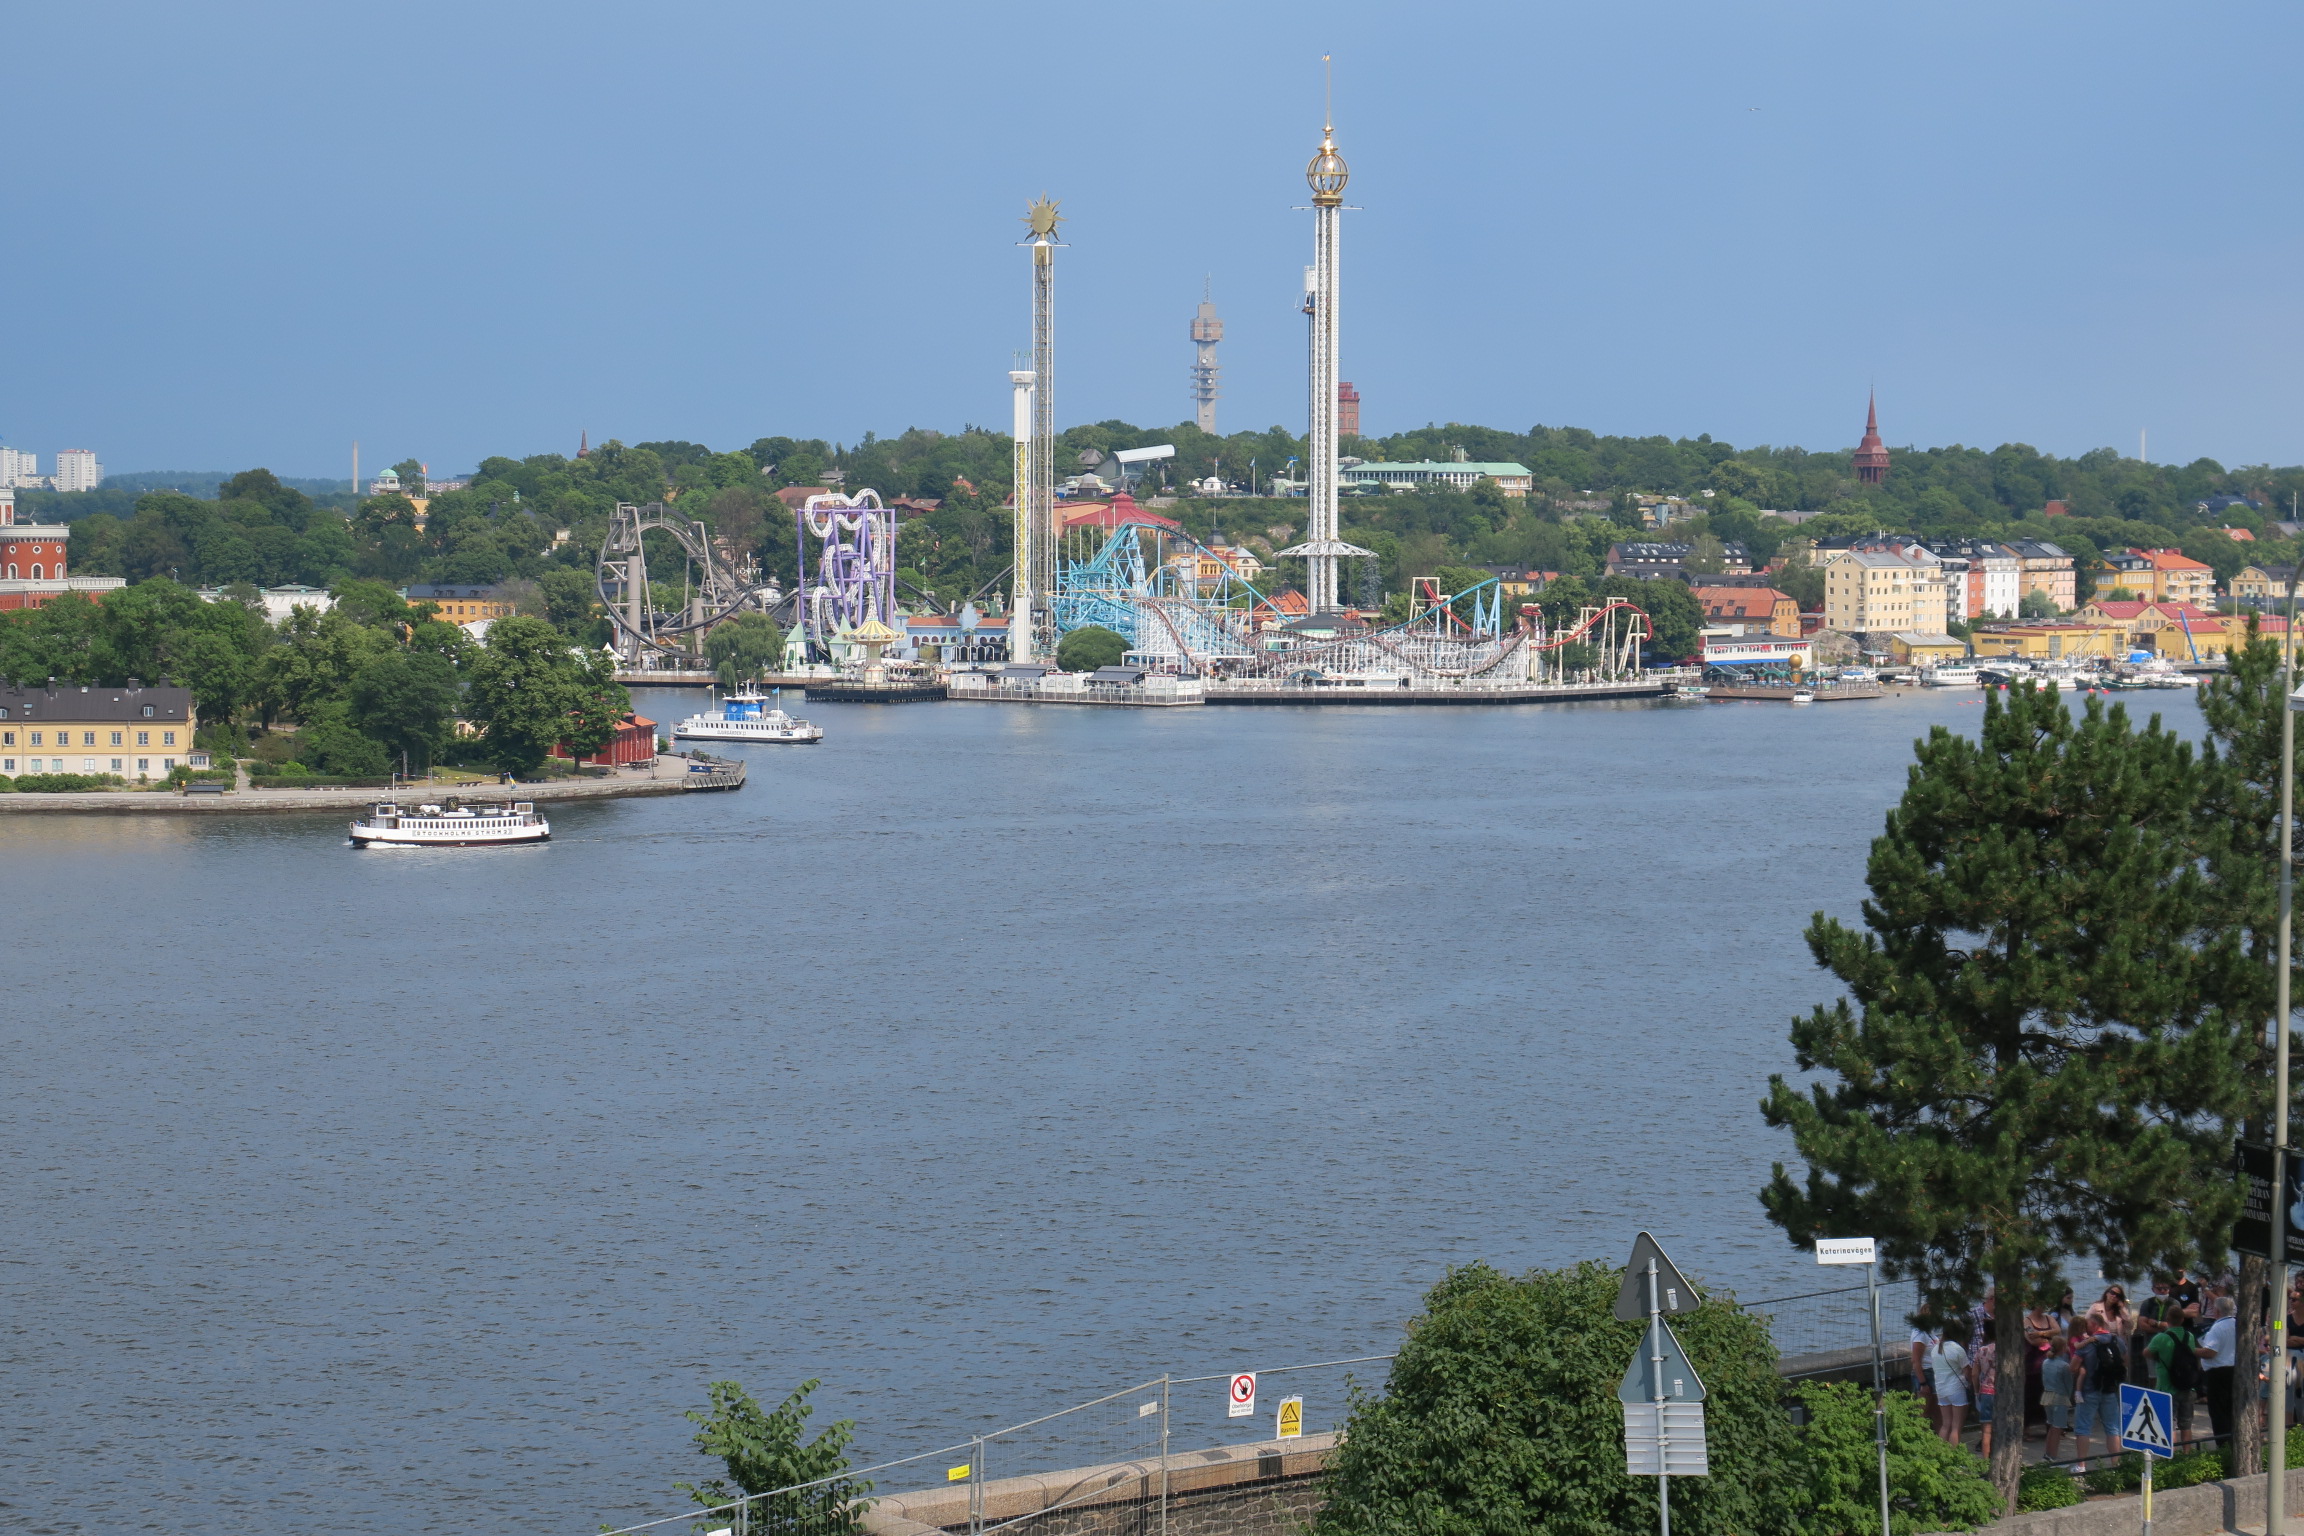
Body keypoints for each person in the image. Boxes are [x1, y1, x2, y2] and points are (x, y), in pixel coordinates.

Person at [2072, 1318, 2128, 1473]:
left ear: (2095, 1324)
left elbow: (2073, 1367)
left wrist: (2084, 1367)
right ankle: (2116, 1464)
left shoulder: (2088, 1343)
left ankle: (2081, 1465)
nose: (2086, 1326)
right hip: (2110, 1389)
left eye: (2088, 1324)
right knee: (2113, 1428)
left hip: (2089, 1390)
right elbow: (2125, 1361)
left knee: (2083, 1428)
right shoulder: (2117, 1340)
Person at [2147, 1305, 2204, 1450]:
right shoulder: (2189, 1336)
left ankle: (2170, 1455)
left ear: (2167, 1319)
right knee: (2186, 1424)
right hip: (2187, 1385)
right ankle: (2187, 1454)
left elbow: (2146, 1353)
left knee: (2169, 1424)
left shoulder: (2161, 1338)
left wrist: (2159, 1356)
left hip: (2166, 1386)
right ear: (2183, 1319)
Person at [2198, 1295, 2237, 1452]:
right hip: (2234, 1370)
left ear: (2216, 1311)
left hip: (2218, 1372)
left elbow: (2210, 1352)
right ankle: (2233, 1442)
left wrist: (2192, 1350)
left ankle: (2223, 1446)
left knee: (2219, 1411)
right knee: (2231, 1409)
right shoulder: (2236, 1324)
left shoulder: (2218, 1328)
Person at [2040, 1322, 2081, 1462]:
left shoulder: (2045, 1362)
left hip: (2047, 1395)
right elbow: (2068, 1385)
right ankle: (2053, 1456)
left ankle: (2047, 1453)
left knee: (2051, 1427)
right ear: (2063, 1348)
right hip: (2059, 1397)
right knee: (2057, 1429)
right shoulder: (2064, 1366)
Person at [1932, 1330, 1972, 1444]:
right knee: (1956, 1426)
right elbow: (1967, 1372)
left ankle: (1941, 1454)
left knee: (1945, 1425)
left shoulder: (1935, 1349)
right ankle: (1953, 1455)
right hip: (1956, 1389)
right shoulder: (1957, 1349)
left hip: (1941, 1389)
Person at [1974, 1334, 1999, 1458]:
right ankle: (1999, 1457)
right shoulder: (2004, 1349)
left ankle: (1985, 1460)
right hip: (2001, 1393)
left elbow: (1974, 1374)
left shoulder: (1981, 1350)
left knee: (1986, 1430)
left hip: (1985, 1392)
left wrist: (1976, 1390)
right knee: (2001, 1428)